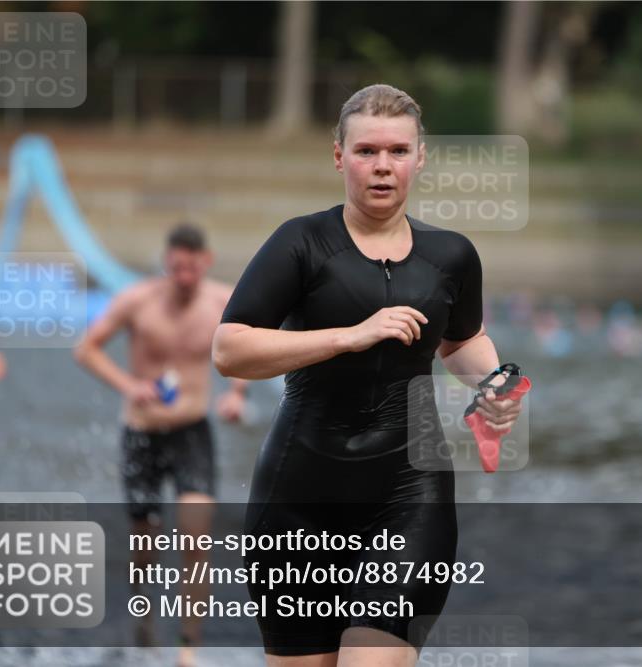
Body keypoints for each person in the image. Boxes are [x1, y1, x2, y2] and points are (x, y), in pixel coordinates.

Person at [213, 84, 526, 667]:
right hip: (298, 501)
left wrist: (492, 382)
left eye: (398, 151)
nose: (383, 166)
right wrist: (349, 336)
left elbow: (462, 340)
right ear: (339, 156)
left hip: (409, 493)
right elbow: (229, 349)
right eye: (366, 151)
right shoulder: (300, 243)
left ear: (420, 157)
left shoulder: (451, 256)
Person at [74, 223, 248, 667]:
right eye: (176, 269)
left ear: (205, 263)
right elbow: (87, 348)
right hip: (141, 433)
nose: (184, 277)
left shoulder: (222, 302)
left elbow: (248, 345)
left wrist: (236, 392)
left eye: (192, 268)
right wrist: (129, 385)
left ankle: (189, 644)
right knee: (144, 542)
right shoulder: (137, 300)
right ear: (167, 264)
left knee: (196, 537)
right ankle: (143, 622)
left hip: (192, 431)